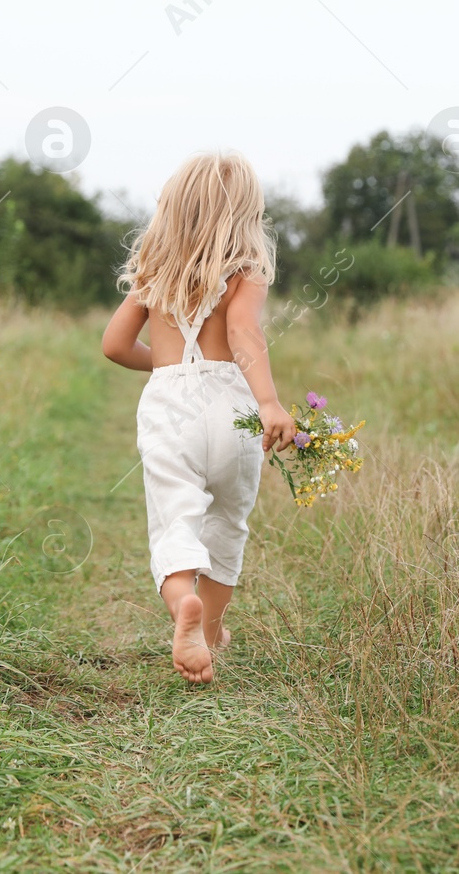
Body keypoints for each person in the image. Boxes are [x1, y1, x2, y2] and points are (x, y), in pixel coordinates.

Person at [101, 150, 294, 684]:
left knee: (175, 520)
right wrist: (271, 403)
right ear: (246, 215)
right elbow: (243, 335)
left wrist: (164, 366)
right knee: (228, 523)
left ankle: (183, 604)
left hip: (170, 410)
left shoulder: (154, 271)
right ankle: (209, 632)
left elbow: (115, 346)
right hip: (232, 409)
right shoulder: (246, 271)